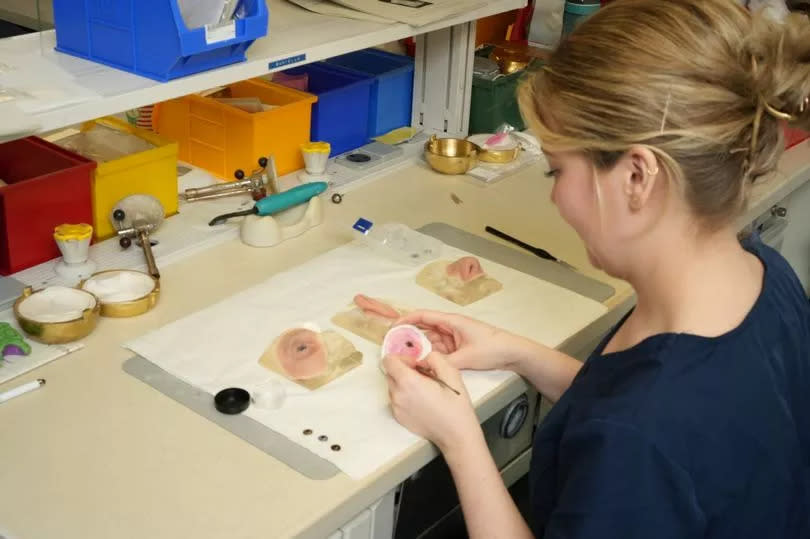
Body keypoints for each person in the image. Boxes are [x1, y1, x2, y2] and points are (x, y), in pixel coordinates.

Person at [382, 0, 810, 537]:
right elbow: (643, 401)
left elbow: (639, 424)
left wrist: (460, 440)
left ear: (637, 176)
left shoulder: (636, 442)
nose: (558, 199)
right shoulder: (763, 275)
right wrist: (514, 350)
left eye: (557, 171)